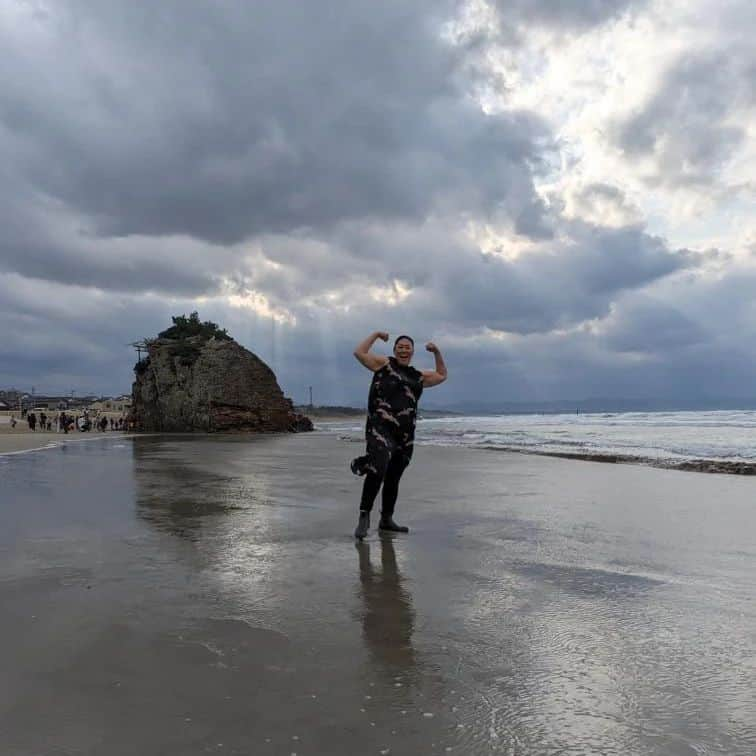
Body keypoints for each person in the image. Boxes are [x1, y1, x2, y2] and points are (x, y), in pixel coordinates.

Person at [351, 331, 447, 539]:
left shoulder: (417, 376)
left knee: (393, 476)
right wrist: (376, 335)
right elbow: (359, 352)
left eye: (407, 347)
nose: (404, 349)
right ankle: (364, 515)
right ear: (395, 350)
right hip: (380, 428)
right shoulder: (384, 364)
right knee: (378, 468)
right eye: (400, 347)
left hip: (404, 434)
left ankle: (386, 519)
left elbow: (441, 375)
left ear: (412, 351)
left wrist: (437, 352)